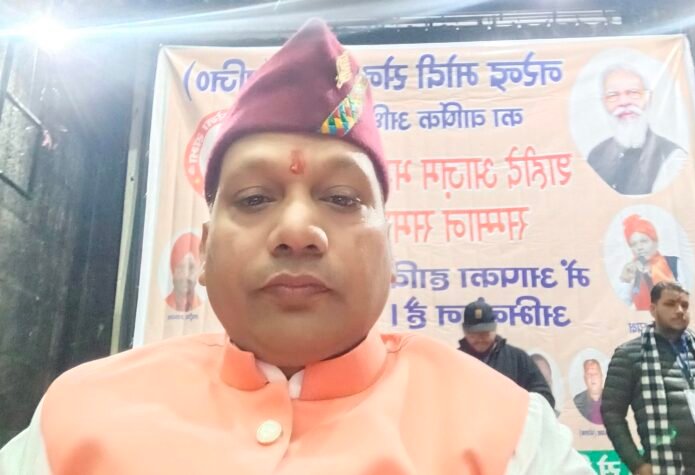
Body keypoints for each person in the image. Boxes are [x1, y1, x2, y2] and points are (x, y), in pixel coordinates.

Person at [0, 19, 593, 474]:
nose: (297, 231)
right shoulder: (74, 421)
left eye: (342, 198)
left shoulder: (512, 437)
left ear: (391, 251)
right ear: (203, 251)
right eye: (255, 198)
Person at [602, 281, 695, 474]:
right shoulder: (629, 355)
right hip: (665, 468)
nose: (679, 310)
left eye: (684, 305)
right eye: (670, 304)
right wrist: (636, 464)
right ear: (653, 309)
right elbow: (611, 413)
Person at [586, 63, 686, 195]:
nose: (623, 102)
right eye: (613, 95)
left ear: (648, 98)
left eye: (633, 93)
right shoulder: (596, 156)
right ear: (604, 103)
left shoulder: (672, 157)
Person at [459, 298, 555, 409]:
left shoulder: (517, 358)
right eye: (473, 335)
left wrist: (515, 402)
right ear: (464, 331)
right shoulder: (455, 361)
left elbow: (545, 397)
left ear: (494, 329)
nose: (480, 340)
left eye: (485, 334)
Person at [616, 214, 682, 311]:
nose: (639, 248)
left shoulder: (674, 264)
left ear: (655, 241)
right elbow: (621, 308)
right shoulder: (630, 270)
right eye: (634, 244)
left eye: (644, 241)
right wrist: (625, 281)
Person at [165, 232, 202, 312]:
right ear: (173, 269)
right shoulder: (162, 307)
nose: (186, 275)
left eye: (191, 268)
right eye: (181, 268)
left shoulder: (201, 308)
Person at [572, 359, 604, 425]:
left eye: (595, 374)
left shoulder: (614, 399)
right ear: (585, 378)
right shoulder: (577, 402)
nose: (593, 377)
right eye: (589, 374)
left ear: (601, 376)